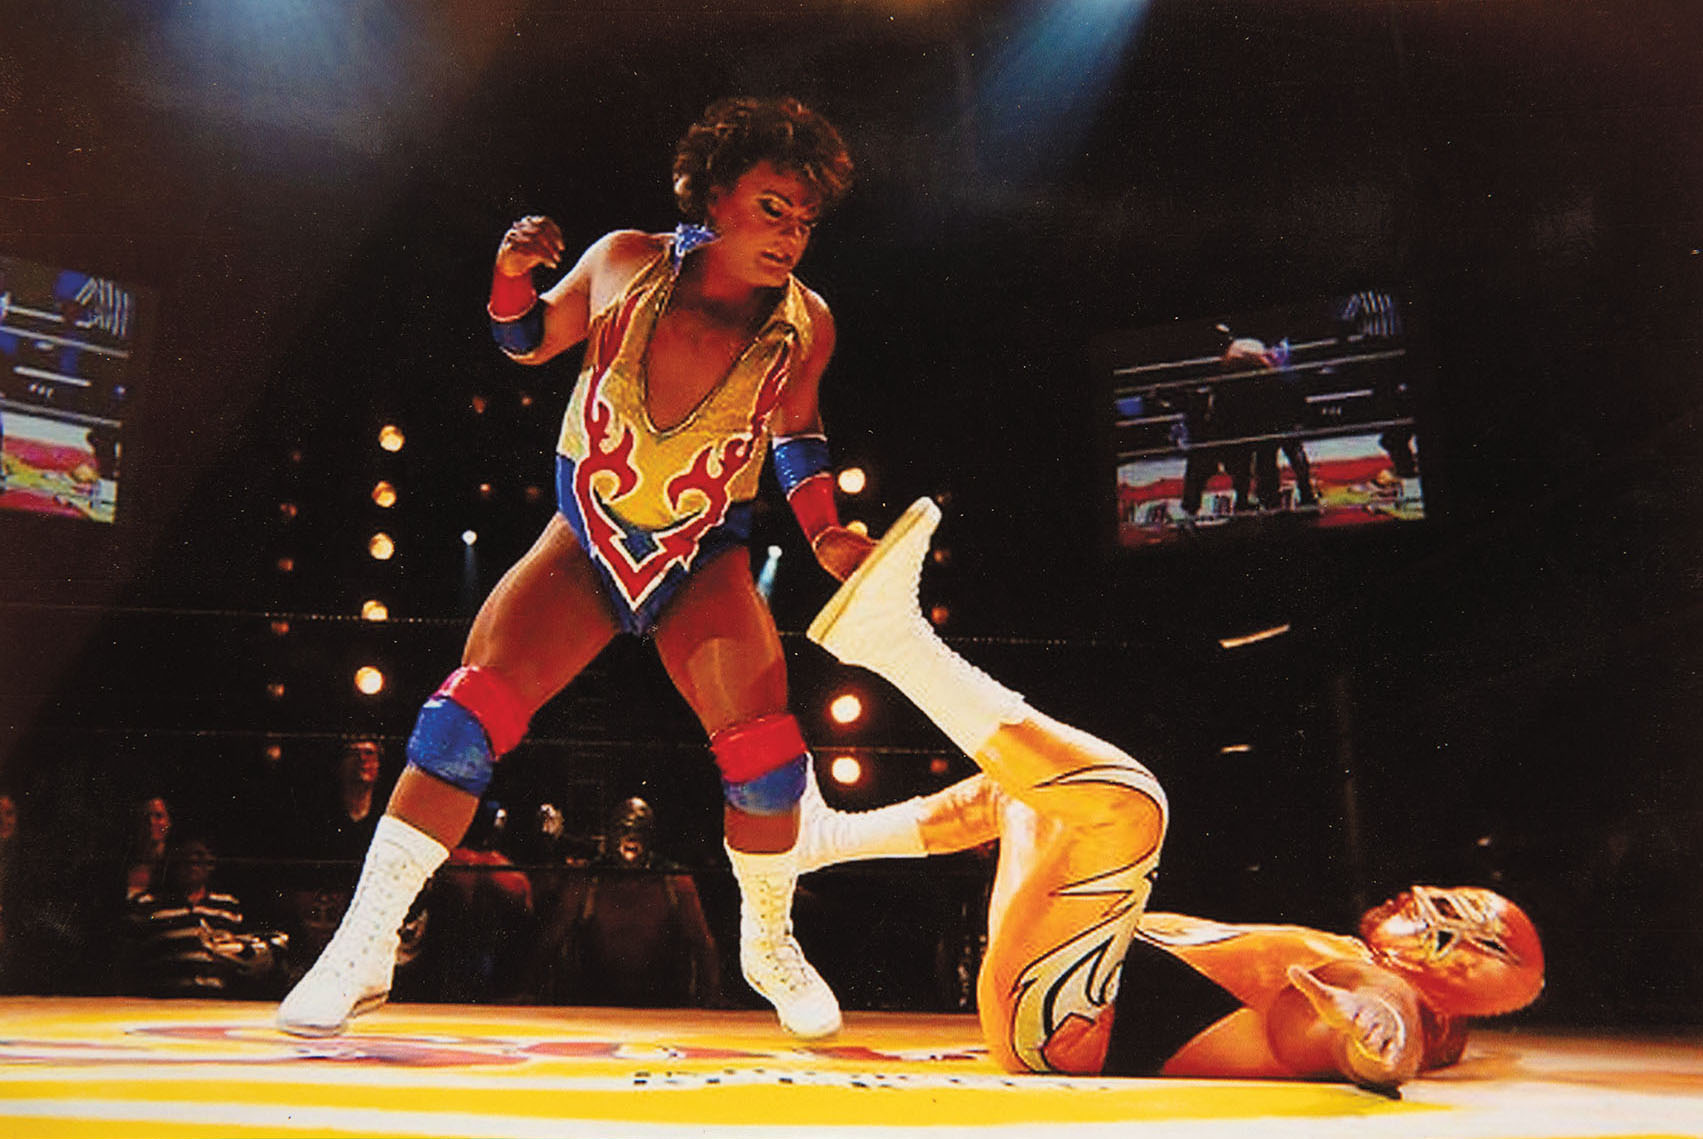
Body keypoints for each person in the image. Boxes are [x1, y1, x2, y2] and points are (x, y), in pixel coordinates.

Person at [279, 96, 871, 1040]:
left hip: (701, 553)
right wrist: (509, 277)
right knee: (462, 720)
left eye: (804, 220)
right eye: (772, 208)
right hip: (586, 540)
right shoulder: (627, 262)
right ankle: (360, 944)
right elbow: (526, 341)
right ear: (714, 196)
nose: (791, 236)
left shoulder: (808, 325)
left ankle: (767, 938)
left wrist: (826, 531)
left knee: (765, 757)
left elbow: (798, 430)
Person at [801, 498, 1543, 1091]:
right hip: (1051, 984)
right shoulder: (1345, 953)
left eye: (1445, 908)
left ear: (1468, 962)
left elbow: (1376, 1029)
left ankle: (893, 642)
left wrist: (1374, 1036)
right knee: (1032, 786)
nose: (1416, 893)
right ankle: (821, 839)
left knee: (1130, 805)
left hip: (1062, 1022)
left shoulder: (1379, 984)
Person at [526, 797, 723, 1009]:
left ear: (651, 837)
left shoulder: (674, 882)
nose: (632, 835)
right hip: (594, 1004)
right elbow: (551, 941)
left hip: (662, 1005)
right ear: (610, 835)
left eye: (640, 829)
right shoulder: (586, 881)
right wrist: (531, 993)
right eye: (624, 828)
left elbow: (703, 944)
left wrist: (710, 999)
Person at [122, 835, 286, 999]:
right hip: (165, 999)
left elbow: (242, 953)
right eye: (186, 858)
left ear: (210, 864)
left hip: (215, 1000)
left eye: (199, 857)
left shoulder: (227, 905)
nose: (192, 865)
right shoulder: (149, 904)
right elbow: (131, 958)